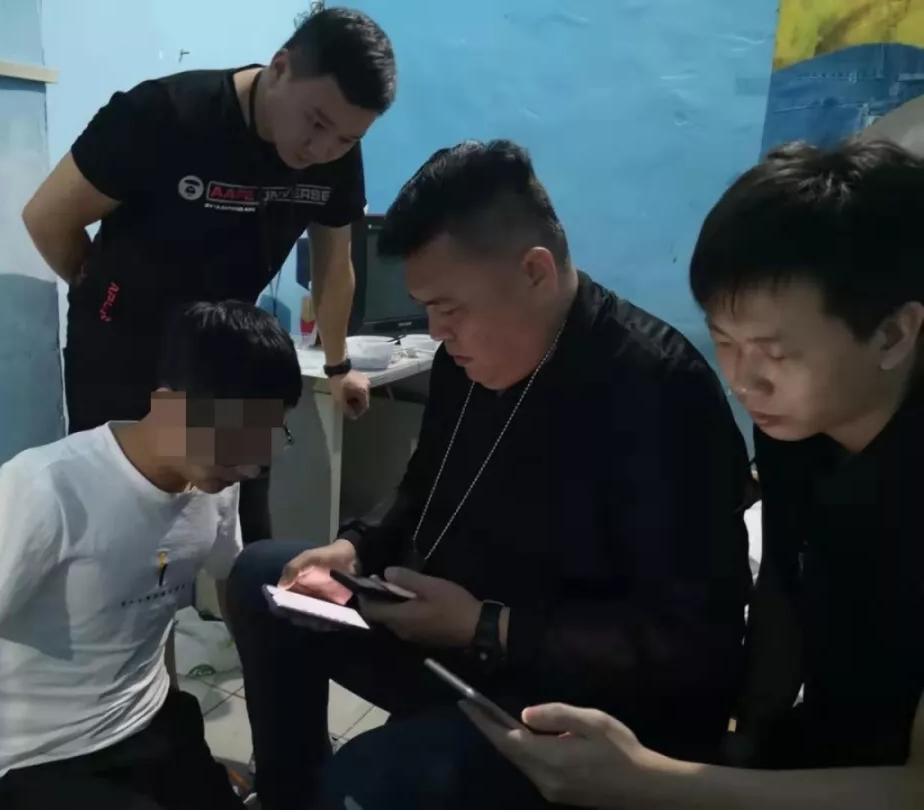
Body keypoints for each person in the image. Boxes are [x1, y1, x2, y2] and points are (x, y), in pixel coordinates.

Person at [223, 140, 755, 810]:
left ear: (534, 272)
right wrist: (354, 548)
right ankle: (288, 792)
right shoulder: (464, 359)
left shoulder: (660, 389)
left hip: (575, 690)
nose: (438, 332)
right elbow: (421, 484)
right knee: (263, 579)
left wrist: (486, 626)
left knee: (371, 780)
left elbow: (692, 642)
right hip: (450, 637)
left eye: (450, 309)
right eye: (426, 309)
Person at [466, 138, 924, 809]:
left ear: (892, 335)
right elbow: (782, 587)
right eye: (725, 342)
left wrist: (654, 781)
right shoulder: (800, 426)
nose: (743, 381)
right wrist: (741, 742)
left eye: (774, 353)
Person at [22, 7, 396, 545]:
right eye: (316, 124)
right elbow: (48, 217)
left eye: (345, 139)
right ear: (281, 67)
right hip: (126, 351)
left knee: (241, 522)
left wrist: (338, 368)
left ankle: (230, 598)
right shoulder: (165, 114)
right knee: (122, 520)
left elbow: (335, 266)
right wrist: (103, 295)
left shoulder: (336, 154)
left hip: (230, 354)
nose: (322, 150)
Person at [0, 301, 302, 810]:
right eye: (234, 440)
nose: (251, 468)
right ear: (168, 405)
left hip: (144, 723)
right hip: (33, 755)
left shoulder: (216, 485)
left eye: (267, 441)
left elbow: (161, 605)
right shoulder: (42, 488)